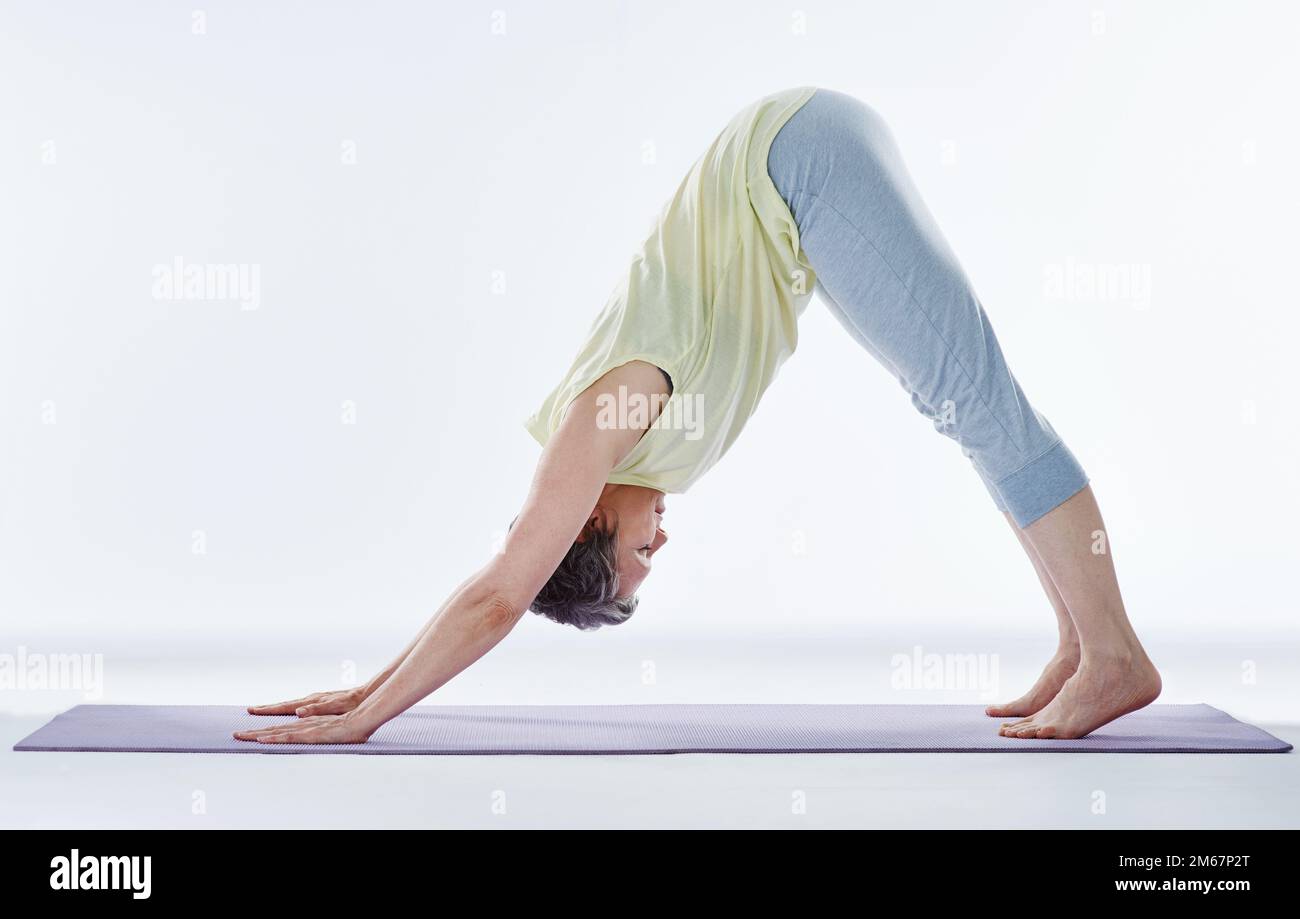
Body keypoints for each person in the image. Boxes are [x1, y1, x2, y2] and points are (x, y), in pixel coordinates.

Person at [236, 87, 1160, 745]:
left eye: (636, 558)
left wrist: (368, 709)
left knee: (978, 400)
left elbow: (501, 587)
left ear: (587, 522)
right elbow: (509, 572)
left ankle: (1114, 653)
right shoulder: (648, 450)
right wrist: (372, 683)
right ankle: (1085, 643)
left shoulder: (606, 420)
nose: (660, 549)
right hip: (799, 177)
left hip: (796, 162)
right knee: (963, 405)